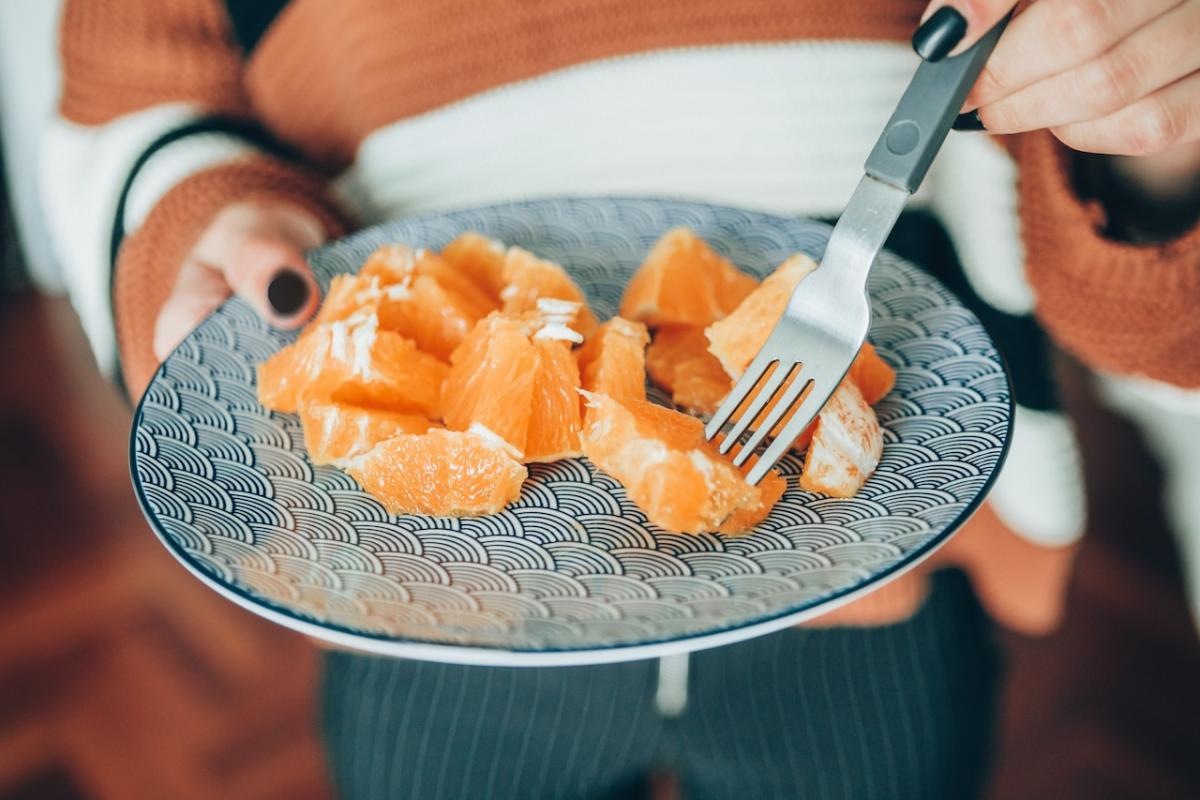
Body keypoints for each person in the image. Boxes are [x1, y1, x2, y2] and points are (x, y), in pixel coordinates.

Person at [42, 0, 1200, 797]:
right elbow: (135, 86)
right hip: (434, 604)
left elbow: (1130, 243)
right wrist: (206, 208)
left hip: (880, 569)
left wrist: (1157, 141)